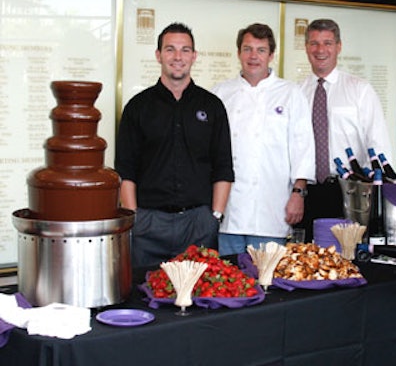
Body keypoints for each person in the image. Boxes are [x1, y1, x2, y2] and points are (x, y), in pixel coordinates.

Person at [115, 22, 234, 266]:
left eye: (185, 50)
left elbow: (223, 166)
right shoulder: (137, 107)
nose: (178, 57)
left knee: (201, 299)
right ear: (158, 55)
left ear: (194, 56)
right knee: (145, 296)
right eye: (170, 49)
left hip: (199, 224)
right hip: (148, 225)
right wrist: (134, 218)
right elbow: (125, 170)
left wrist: (215, 217)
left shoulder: (212, 106)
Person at [211, 23, 315, 256]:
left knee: (268, 281)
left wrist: (298, 194)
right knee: (228, 280)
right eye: (247, 49)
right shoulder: (220, 93)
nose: (253, 56)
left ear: (271, 55)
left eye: (260, 50)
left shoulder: (290, 93)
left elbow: (303, 148)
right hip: (229, 212)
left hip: (272, 207)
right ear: (238, 53)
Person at [299, 18, 392, 243]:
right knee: (308, 261)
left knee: (346, 261)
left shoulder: (360, 90)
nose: (320, 50)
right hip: (308, 192)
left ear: (339, 46)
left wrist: (383, 195)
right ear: (306, 48)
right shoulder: (297, 91)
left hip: (349, 191)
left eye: (327, 43)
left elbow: (378, 143)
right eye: (314, 43)